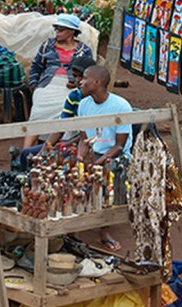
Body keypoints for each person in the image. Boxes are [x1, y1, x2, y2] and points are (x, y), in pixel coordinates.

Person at [76, 64, 132, 250]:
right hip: (94, 153)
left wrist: (97, 164)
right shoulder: (83, 105)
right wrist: (80, 159)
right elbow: (84, 139)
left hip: (115, 155)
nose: (80, 82)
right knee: (68, 173)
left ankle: (104, 230)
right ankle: (76, 222)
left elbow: (119, 146)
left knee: (106, 176)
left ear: (97, 83)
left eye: (85, 78)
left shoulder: (121, 106)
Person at [20, 13, 94, 148]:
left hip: (70, 87)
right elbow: (36, 67)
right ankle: (25, 152)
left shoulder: (84, 50)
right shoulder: (47, 45)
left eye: (61, 30)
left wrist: (76, 83)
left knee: (67, 109)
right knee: (37, 115)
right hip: (47, 84)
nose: (57, 33)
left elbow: (89, 72)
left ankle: (57, 149)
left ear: (71, 31)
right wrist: (34, 86)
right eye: (56, 29)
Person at [11, 53, 96, 168]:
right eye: (75, 76)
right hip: (71, 142)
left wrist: (65, 145)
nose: (77, 81)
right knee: (27, 154)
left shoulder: (94, 101)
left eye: (81, 77)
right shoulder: (74, 96)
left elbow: (85, 136)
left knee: (55, 161)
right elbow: (61, 127)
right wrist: (45, 148)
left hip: (84, 146)